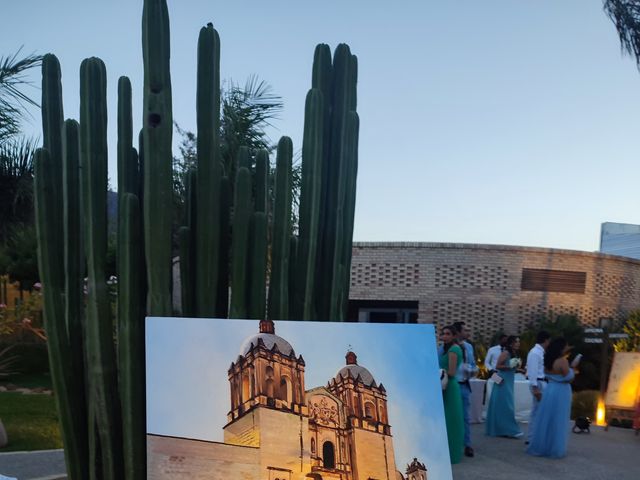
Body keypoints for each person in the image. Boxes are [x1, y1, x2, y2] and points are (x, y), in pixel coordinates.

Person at [526, 337, 577, 458]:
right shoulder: (562, 361)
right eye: (565, 346)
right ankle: (555, 447)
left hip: (550, 389)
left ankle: (542, 445)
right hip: (561, 391)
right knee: (559, 419)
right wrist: (573, 369)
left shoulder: (547, 360)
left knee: (547, 418)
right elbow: (568, 377)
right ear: (561, 348)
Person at [485, 335, 523, 438]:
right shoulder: (505, 353)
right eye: (517, 342)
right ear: (511, 343)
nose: (518, 343)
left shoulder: (513, 353)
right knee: (506, 405)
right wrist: (510, 366)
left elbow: (511, 368)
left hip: (509, 380)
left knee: (503, 405)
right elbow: (498, 366)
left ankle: (502, 429)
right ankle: (511, 430)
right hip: (503, 380)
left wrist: (517, 369)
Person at [438, 325, 465, 464]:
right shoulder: (444, 349)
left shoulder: (454, 349)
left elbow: (452, 372)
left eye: (448, 334)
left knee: (450, 420)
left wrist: (437, 371)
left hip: (449, 386)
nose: (445, 336)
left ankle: (451, 452)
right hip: (444, 385)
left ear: (454, 336)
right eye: (443, 333)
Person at [452, 321, 477, 458]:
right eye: (465, 330)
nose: (468, 332)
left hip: (464, 384)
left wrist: (472, 370)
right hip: (451, 385)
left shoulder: (469, 347)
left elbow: (472, 364)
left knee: (465, 417)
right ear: (458, 332)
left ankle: (467, 444)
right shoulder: (446, 347)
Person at [525, 330, 551, 445]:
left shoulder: (539, 352)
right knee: (537, 411)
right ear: (545, 340)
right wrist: (535, 387)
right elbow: (533, 371)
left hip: (541, 382)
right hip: (538, 383)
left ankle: (534, 436)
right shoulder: (535, 353)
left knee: (538, 411)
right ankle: (532, 437)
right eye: (549, 340)